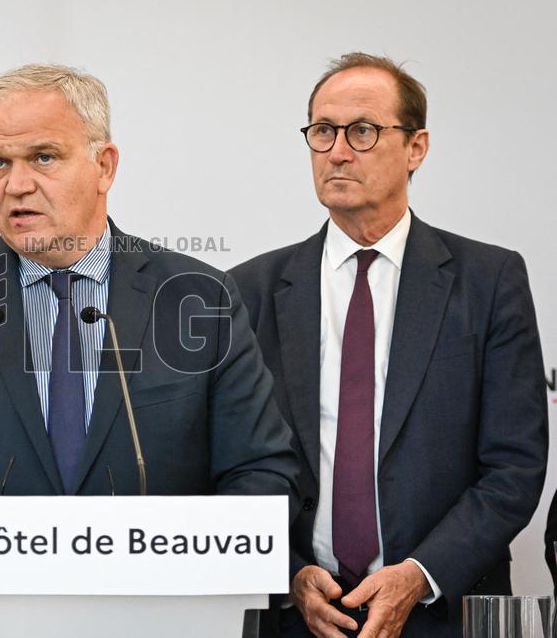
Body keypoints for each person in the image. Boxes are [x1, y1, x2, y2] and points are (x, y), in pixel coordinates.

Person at [0, 64, 298, 500]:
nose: (16, 184)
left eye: (43, 157)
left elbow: (261, 473)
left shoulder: (197, 296)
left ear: (104, 166)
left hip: (152, 572)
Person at [229, 53, 547, 637]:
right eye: (322, 131)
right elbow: (232, 468)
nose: (338, 151)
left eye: (363, 131)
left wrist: (421, 575)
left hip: (441, 613)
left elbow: (514, 466)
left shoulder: (489, 280)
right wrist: (289, 572)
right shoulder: (250, 289)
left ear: (416, 148)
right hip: (298, 617)